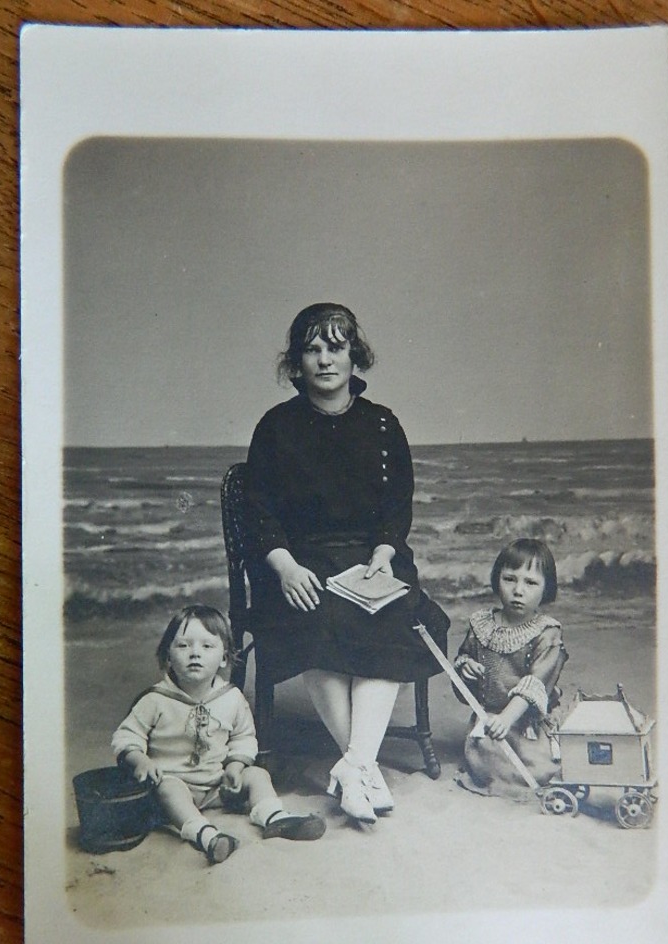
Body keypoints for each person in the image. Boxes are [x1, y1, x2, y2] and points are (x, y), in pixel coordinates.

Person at [244, 302, 449, 825]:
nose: (325, 360)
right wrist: (285, 567)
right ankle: (364, 768)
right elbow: (259, 512)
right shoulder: (275, 428)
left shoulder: (383, 425)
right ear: (297, 362)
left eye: (335, 348)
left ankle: (353, 764)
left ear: (354, 355)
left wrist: (383, 555)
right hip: (300, 561)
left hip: (371, 557)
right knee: (316, 614)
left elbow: (395, 508)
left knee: (397, 617)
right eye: (312, 349)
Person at [111, 604, 326, 864]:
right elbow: (126, 737)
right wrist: (140, 760)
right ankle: (205, 835)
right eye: (183, 646)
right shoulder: (156, 700)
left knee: (257, 774)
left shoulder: (231, 698)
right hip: (174, 786)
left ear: (224, 658)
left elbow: (243, 738)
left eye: (207, 646)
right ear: (167, 656)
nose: (194, 654)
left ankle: (272, 816)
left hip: (217, 785)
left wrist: (235, 766)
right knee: (168, 789)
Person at [452, 538, 568, 799]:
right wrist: (466, 669)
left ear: (546, 588)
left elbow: (537, 682)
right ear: (497, 580)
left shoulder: (547, 634)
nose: (518, 591)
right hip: (490, 717)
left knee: (536, 766)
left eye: (531, 583)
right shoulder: (482, 625)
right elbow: (463, 674)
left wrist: (507, 719)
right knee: (485, 758)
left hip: (526, 719)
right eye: (509, 579)